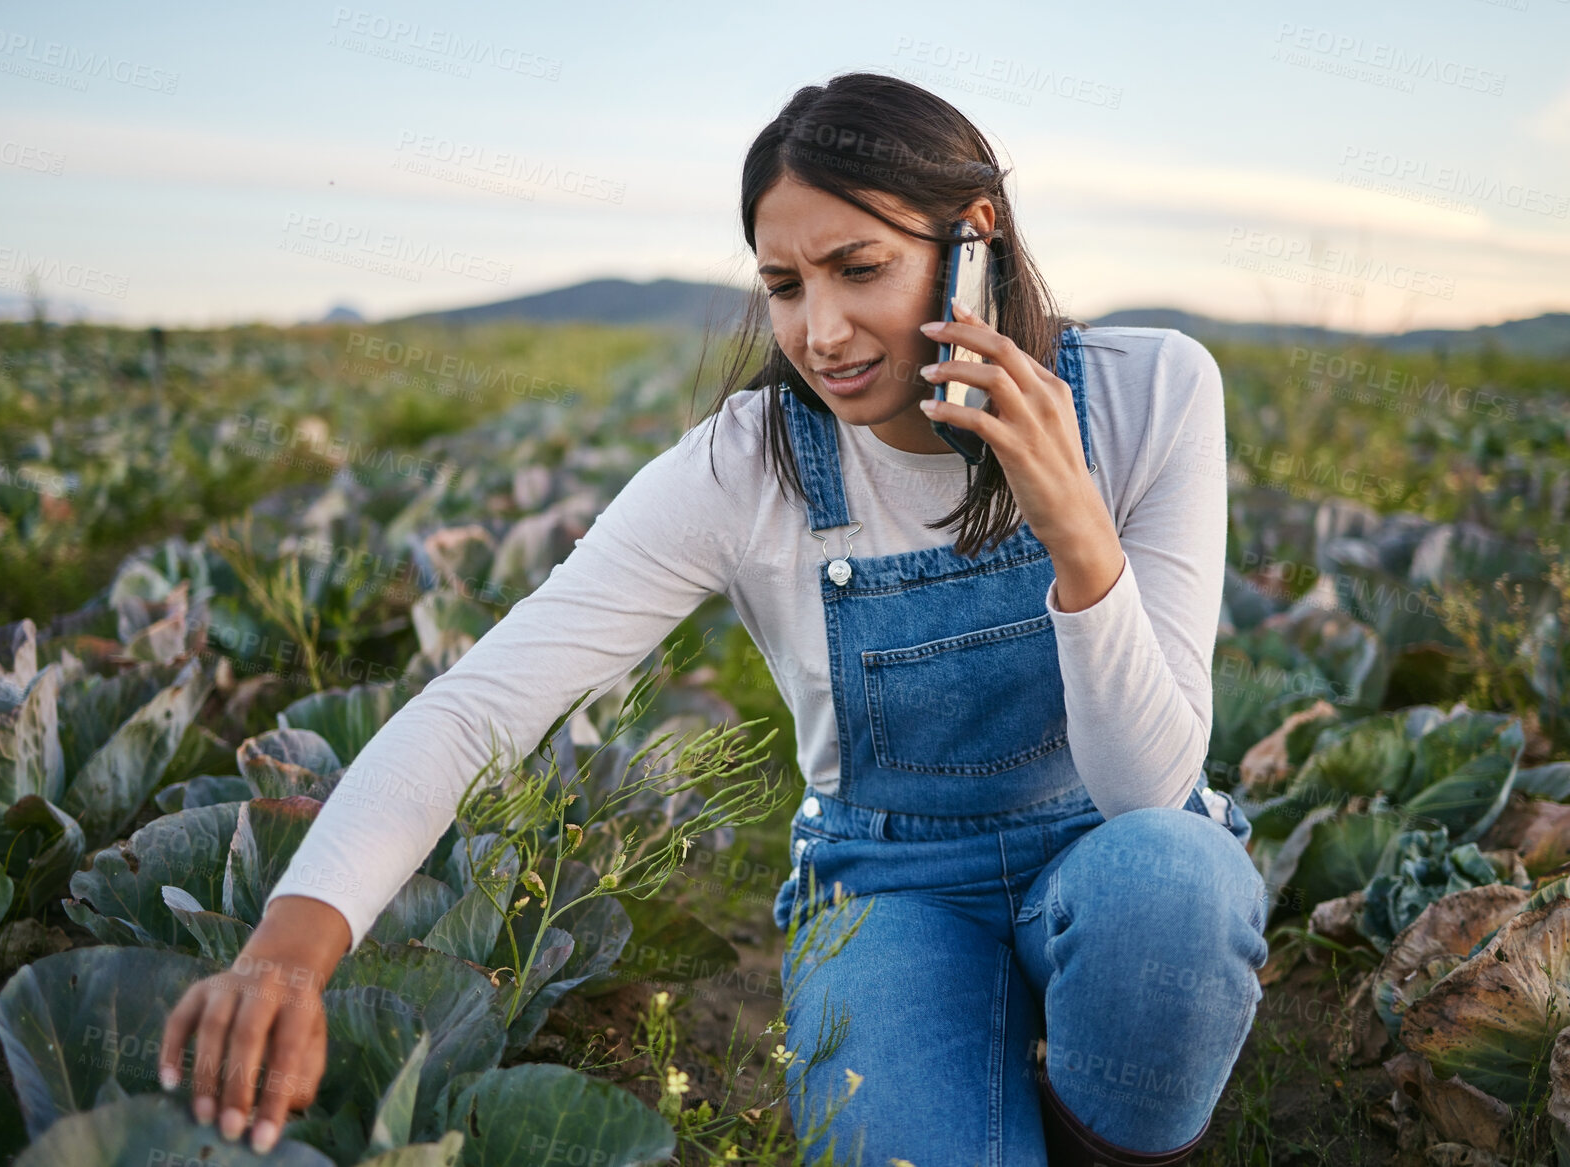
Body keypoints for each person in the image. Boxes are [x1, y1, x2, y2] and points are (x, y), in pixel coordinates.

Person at [159, 71, 1268, 1166]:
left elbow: (1152, 795)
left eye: (859, 268)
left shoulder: (1150, 394)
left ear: (973, 239)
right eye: (784, 284)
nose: (821, 331)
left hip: (1104, 845)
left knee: (1177, 879)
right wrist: (291, 950)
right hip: (894, 881)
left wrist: (1077, 532)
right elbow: (484, 703)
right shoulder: (746, 467)